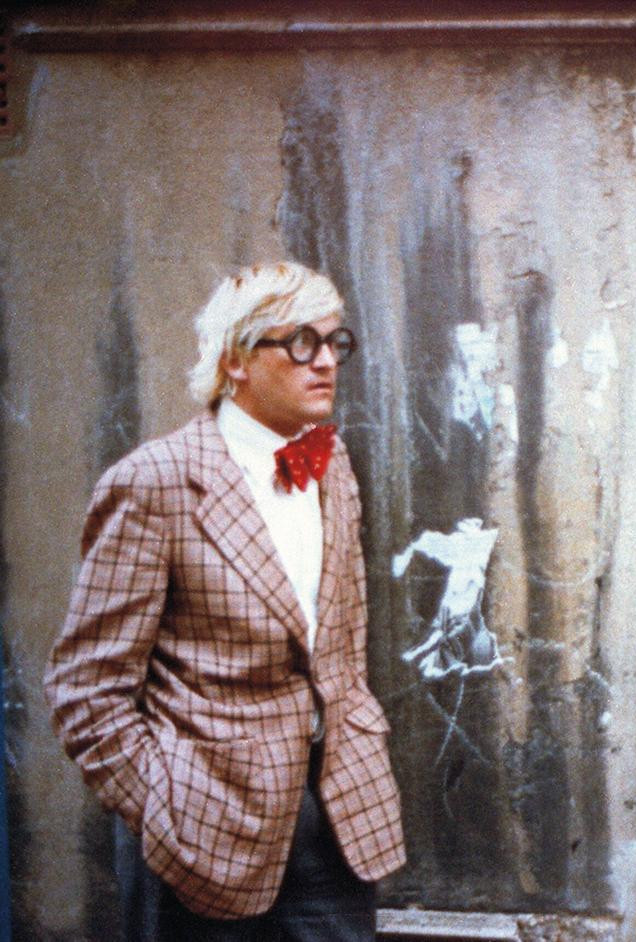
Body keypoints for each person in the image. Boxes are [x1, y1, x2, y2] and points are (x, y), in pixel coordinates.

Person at [45, 262, 405, 940]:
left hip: (340, 818)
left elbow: (340, 645)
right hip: (202, 828)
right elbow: (87, 687)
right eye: (300, 342)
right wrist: (163, 805)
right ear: (236, 359)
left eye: (335, 341)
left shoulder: (333, 468)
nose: (326, 361)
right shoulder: (156, 482)